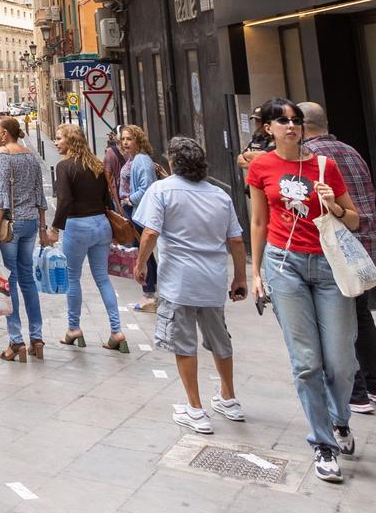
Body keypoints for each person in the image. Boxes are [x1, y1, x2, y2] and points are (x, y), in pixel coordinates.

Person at [247, 97, 366, 484]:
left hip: (329, 265)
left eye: (295, 120)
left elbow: (356, 220)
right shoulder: (262, 167)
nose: (291, 126)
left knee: (340, 360)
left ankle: (340, 419)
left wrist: (332, 205)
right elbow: (260, 222)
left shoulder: (323, 166)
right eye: (282, 121)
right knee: (306, 362)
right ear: (268, 128)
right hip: (285, 266)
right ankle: (323, 444)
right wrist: (256, 272)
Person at [133, 137, 247, 435]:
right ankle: (229, 398)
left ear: (172, 162)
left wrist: (141, 263)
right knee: (220, 340)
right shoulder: (220, 196)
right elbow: (235, 240)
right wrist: (240, 277)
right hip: (212, 281)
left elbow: (150, 232)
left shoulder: (162, 190)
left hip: (178, 282)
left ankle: (195, 409)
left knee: (184, 345)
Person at [300, 101, 376, 416]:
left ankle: (357, 393)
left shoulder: (315, 161)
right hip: (371, 244)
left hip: (342, 249)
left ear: (301, 127)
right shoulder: (351, 151)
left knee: (339, 319)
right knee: (362, 315)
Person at [0, 115, 51, 361]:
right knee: (28, 281)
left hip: (10, 226)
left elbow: (0, 196)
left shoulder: (3, 156)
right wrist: (43, 227)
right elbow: (39, 194)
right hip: (31, 222)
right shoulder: (30, 156)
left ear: (5, 134)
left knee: (8, 282)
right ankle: (37, 337)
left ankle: (16, 341)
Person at [53, 123, 126, 352]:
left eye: (59, 138)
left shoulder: (64, 167)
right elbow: (108, 200)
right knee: (102, 278)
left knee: (73, 278)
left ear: (70, 141)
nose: (56, 143)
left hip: (77, 226)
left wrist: (55, 228)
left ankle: (74, 329)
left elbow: (64, 201)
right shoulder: (96, 164)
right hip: (101, 224)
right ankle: (117, 331)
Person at [117, 124, 163, 314]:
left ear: (139, 140)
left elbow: (147, 187)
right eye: (124, 139)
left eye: (130, 139)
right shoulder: (133, 158)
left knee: (145, 252)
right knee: (142, 251)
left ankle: (150, 293)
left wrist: (129, 199)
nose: (125, 142)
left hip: (138, 211)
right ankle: (149, 291)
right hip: (133, 211)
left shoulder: (142, 160)